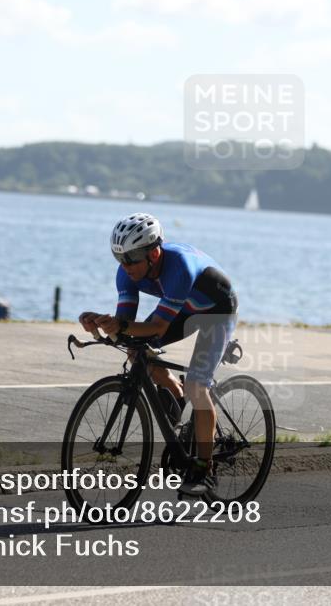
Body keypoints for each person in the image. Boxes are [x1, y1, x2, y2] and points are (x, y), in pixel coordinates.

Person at [79, 213, 238, 497]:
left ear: (153, 253)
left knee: (198, 385)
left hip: (217, 311)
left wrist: (121, 325)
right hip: (186, 308)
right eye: (120, 258)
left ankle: (206, 468)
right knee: (134, 349)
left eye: (131, 259)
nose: (125, 266)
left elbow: (157, 326)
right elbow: (126, 326)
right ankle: (174, 393)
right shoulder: (126, 272)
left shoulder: (179, 269)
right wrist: (101, 324)